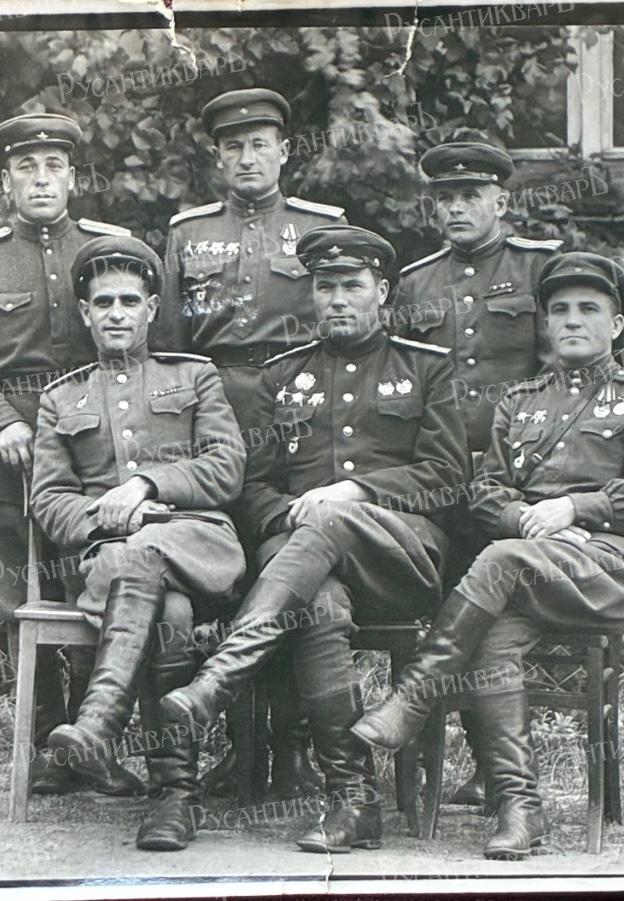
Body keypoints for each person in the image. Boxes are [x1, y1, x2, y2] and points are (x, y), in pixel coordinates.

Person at [352, 252, 624, 860]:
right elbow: (485, 492)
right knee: (492, 640)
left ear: (616, 325)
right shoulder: (520, 400)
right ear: (546, 324)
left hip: (612, 566)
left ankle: (414, 696)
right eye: (559, 310)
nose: (572, 320)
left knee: (501, 559)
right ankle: (519, 807)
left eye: (589, 309)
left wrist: (574, 510)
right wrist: (528, 523)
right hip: (530, 567)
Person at [160, 226, 472, 852]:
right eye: (325, 287)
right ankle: (354, 801)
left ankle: (222, 675)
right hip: (303, 568)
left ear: (382, 291)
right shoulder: (282, 375)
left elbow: (447, 476)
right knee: (319, 605)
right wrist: (292, 517)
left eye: (352, 285)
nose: (337, 299)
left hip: (400, 559)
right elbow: (253, 487)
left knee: (329, 520)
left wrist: (354, 494)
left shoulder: (426, 367)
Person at [156, 88, 347, 798]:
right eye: (232, 146)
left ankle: (291, 749)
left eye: (259, 144)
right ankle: (239, 751)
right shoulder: (188, 233)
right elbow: (171, 346)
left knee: (287, 568)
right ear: (217, 157)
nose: (246, 158)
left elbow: (341, 337)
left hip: (297, 415)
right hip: (213, 415)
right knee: (227, 578)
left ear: (284, 151)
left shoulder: (322, 227)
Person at [0, 113, 141, 796]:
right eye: (26, 168)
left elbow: (136, 347)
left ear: (73, 178)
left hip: (93, 451)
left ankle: (93, 744)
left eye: (54, 166)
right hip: (8, 455)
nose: (41, 179)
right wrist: (2, 420)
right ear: (7, 183)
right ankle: (43, 743)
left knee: (97, 585)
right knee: (18, 597)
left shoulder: (109, 251)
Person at [29, 235, 247, 851]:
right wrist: (114, 518)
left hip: (197, 544)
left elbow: (227, 467)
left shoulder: (195, 376)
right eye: (103, 303)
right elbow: (50, 500)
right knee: (167, 611)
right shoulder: (60, 398)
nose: (117, 313)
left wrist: (149, 485)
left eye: (130, 301)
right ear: (85, 313)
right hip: (111, 555)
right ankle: (175, 797)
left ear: (152, 308)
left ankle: (100, 723)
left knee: (153, 566)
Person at [388, 139, 562, 809]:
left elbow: (558, 384)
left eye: (470, 196)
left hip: (514, 482)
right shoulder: (416, 283)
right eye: (445, 198)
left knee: (494, 620)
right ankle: (442, 764)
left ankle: (495, 768)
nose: (456, 207)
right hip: (438, 481)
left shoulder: (538, 268)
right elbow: (403, 388)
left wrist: (527, 473)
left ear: (501, 201)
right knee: (442, 613)